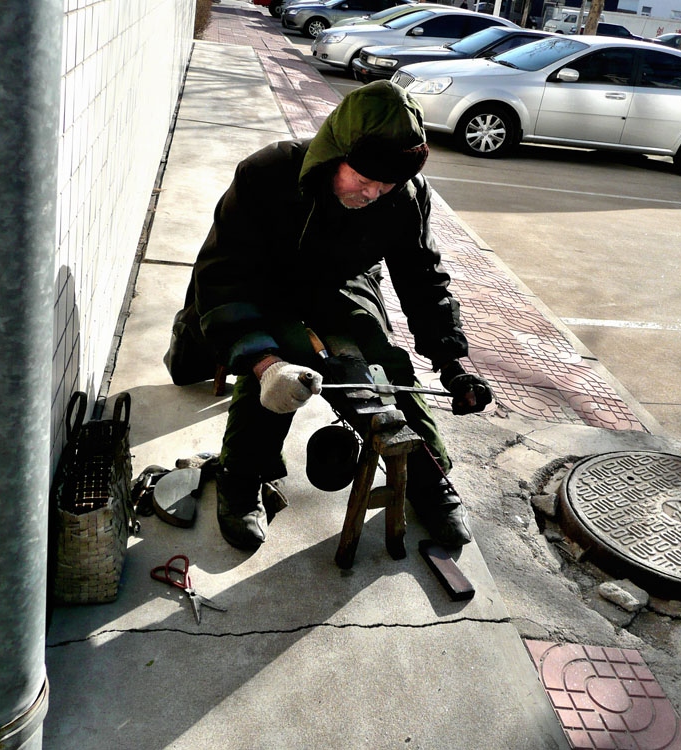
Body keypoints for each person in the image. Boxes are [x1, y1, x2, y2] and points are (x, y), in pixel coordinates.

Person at [190, 80, 494, 552]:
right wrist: (263, 362)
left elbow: (422, 278)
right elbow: (223, 275)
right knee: (276, 374)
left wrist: (453, 364)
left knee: (384, 365)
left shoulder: (406, 197)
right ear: (335, 154)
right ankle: (242, 475)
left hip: (341, 284)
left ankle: (428, 478)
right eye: (363, 180)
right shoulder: (266, 175)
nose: (374, 194)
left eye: (385, 186)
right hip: (265, 285)